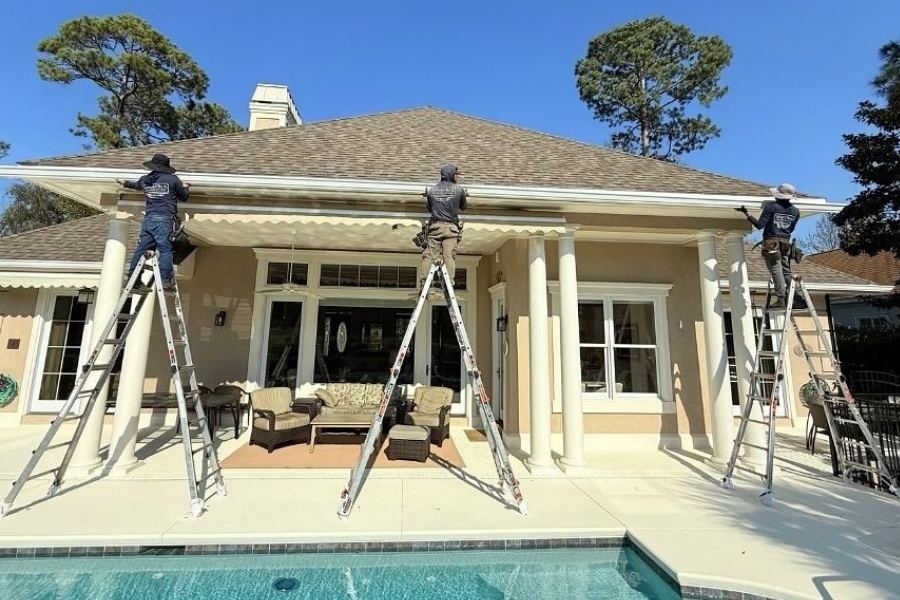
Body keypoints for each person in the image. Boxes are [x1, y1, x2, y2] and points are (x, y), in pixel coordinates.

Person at [117, 153, 190, 291]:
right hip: (164, 219)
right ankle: (166, 281)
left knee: (141, 249)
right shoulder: (173, 180)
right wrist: (186, 187)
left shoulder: (146, 179)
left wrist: (124, 182)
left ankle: (133, 280)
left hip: (148, 219)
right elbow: (184, 197)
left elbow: (135, 185)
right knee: (166, 250)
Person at [736, 183, 801, 307]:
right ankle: (797, 298)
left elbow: (760, 225)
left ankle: (781, 299)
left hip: (771, 244)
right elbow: (790, 229)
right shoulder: (795, 211)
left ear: (778, 195)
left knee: (776, 270)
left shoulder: (771, 207)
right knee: (786, 271)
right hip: (785, 244)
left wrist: (747, 214)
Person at [419, 164, 467, 290]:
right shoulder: (459, 190)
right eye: (456, 174)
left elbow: (429, 208)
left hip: (435, 228)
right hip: (451, 228)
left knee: (429, 255)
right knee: (449, 256)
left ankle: (424, 282)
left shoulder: (432, 190)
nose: (457, 177)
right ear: (451, 174)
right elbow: (463, 207)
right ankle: (449, 281)